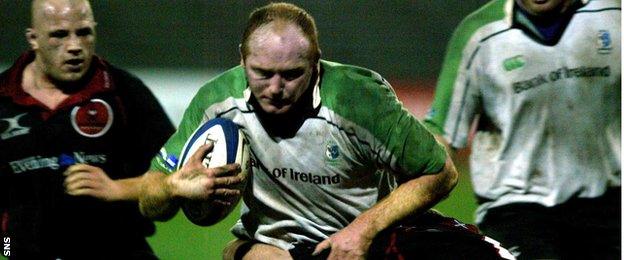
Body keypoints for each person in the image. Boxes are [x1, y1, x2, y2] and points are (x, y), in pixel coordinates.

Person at [139, 3, 514, 260]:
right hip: (282, 252)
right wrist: (172, 186)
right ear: (242, 58)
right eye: (261, 73)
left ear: (316, 62)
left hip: (375, 242)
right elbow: (148, 199)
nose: (275, 88)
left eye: (291, 74)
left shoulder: (357, 99)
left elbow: (440, 171)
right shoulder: (216, 102)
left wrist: (362, 231)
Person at [424, 0, 620, 259]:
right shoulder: (480, 34)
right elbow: (442, 134)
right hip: (517, 208)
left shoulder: (614, 14)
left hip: (609, 203)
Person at [0, 0, 175, 258]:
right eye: (59, 35)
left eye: (83, 32)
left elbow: (177, 178)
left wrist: (117, 189)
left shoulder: (124, 93)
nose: (74, 47)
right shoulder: (4, 97)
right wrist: (5, 247)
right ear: (33, 38)